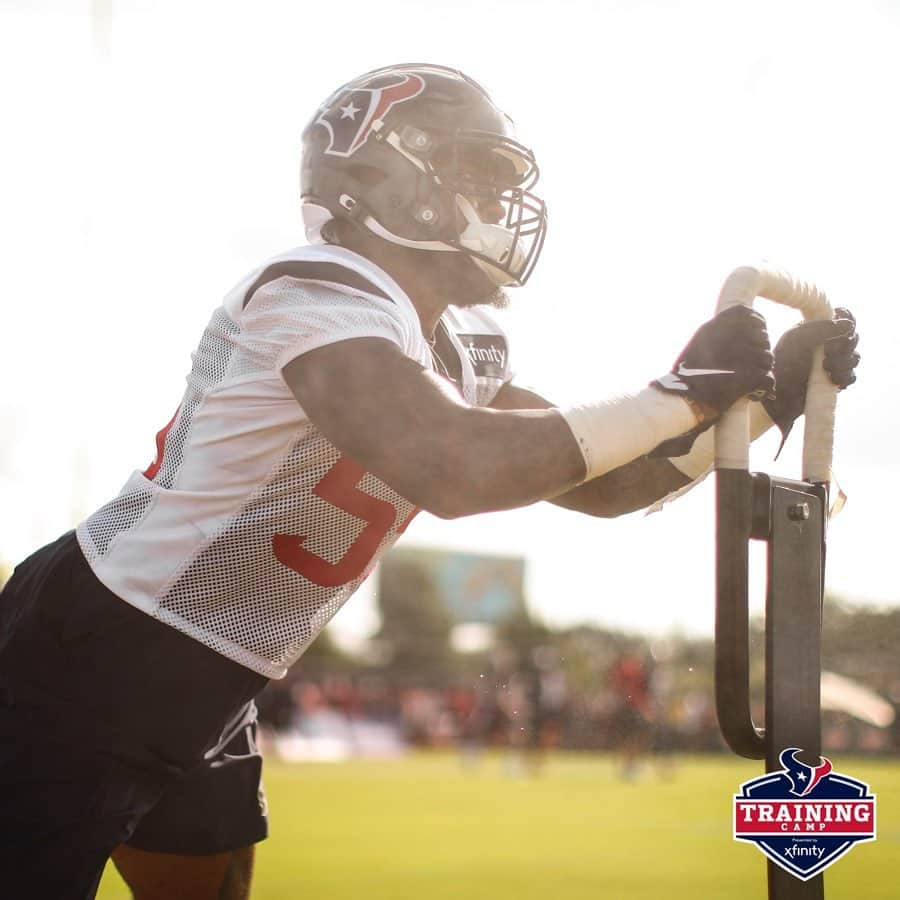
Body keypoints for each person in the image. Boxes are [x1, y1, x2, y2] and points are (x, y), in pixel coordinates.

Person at [0, 63, 860, 899]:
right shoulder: (315, 290)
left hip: (216, 676)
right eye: (475, 174)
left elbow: (601, 480)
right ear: (383, 175)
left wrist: (759, 411)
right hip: (91, 653)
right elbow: (451, 465)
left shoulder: (454, 341)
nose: (496, 204)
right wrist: (677, 395)